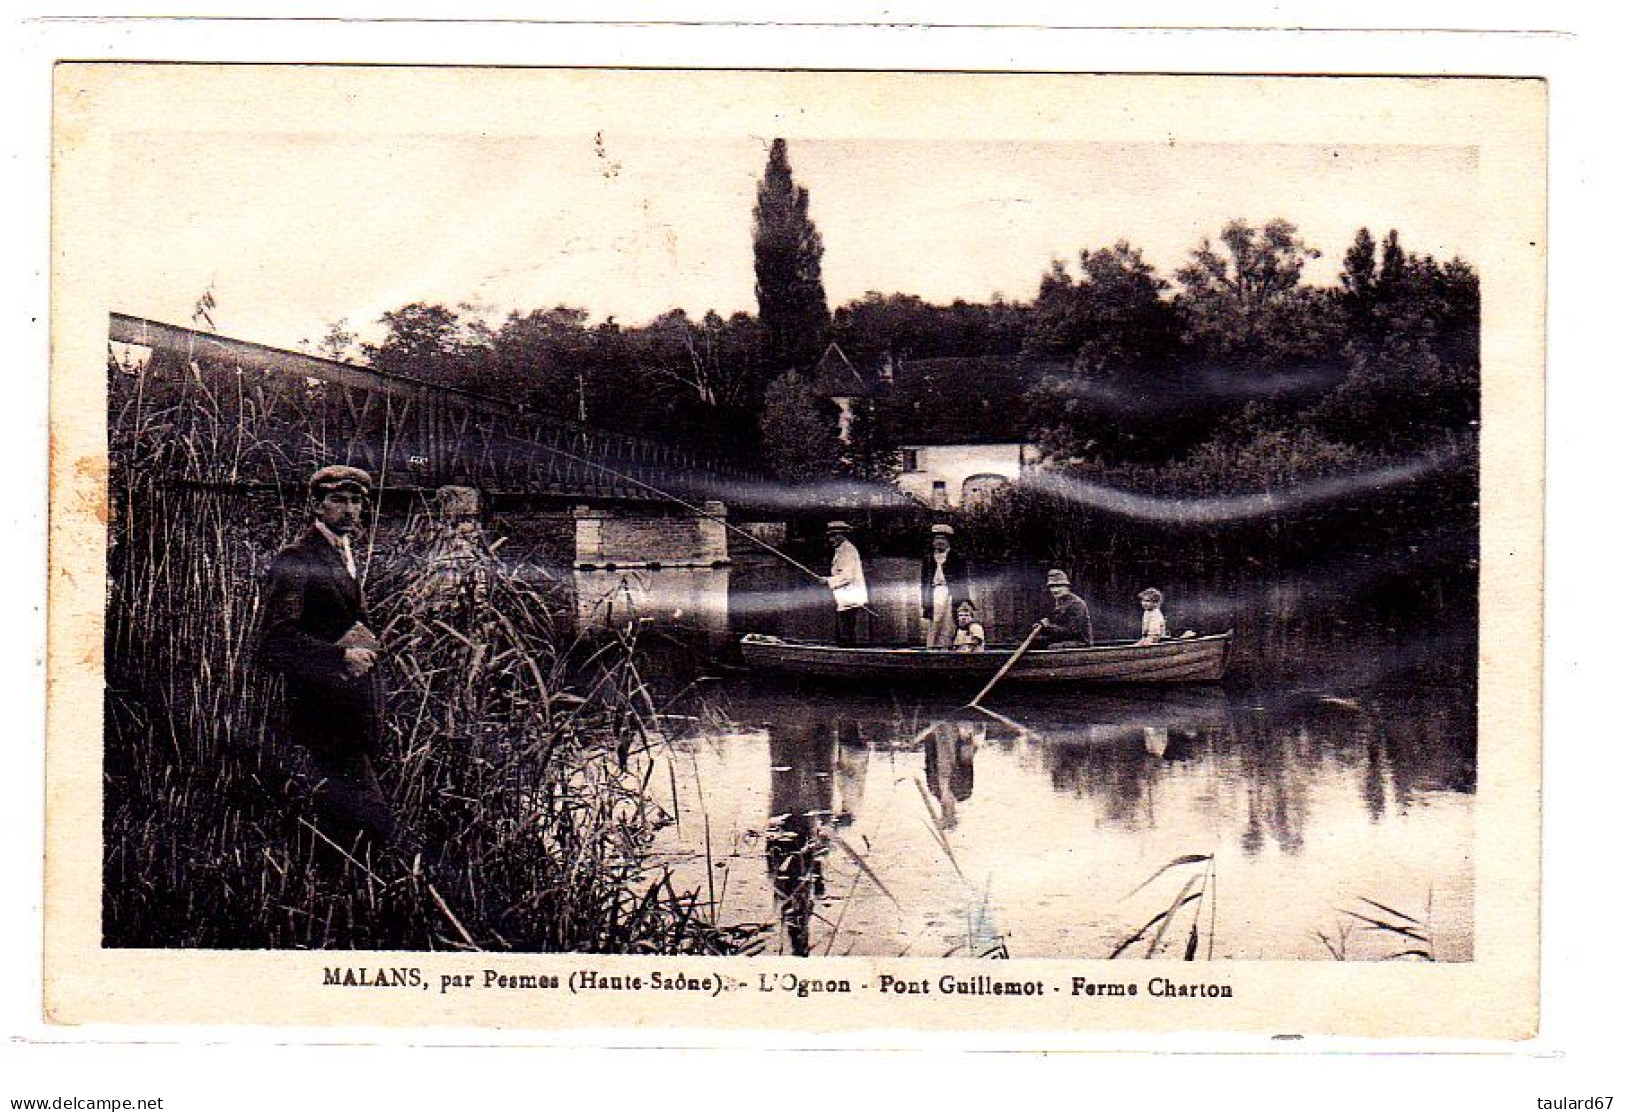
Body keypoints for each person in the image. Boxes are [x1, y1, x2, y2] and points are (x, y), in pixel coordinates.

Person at [258, 465, 405, 861]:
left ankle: (343, 900)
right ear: (316, 505)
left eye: (356, 501)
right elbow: (274, 641)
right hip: (322, 715)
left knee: (343, 823)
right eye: (338, 500)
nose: (350, 509)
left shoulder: (345, 555)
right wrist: (340, 656)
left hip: (353, 715)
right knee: (374, 823)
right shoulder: (297, 558)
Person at [919, 523, 971, 649]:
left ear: (948, 542)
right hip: (934, 592)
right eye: (936, 539)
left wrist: (964, 599)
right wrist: (925, 601)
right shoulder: (929, 559)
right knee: (935, 621)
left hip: (951, 591)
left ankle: (947, 648)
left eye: (942, 539)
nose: (939, 542)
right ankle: (932, 648)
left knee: (949, 621)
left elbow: (962, 580)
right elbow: (924, 581)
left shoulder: (957, 558)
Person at [820, 520, 869, 647]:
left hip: (851, 597)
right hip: (846, 597)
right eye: (830, 536)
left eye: (835, 535)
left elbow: (847, 577)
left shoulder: (848, 551)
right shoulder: (841, 550)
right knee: (843, 631)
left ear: (842, 535)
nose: (832, 539)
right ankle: (847, 653)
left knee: (845, 632)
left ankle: (848, 655)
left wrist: (828, 580)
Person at [1032, 568, 1093, 648]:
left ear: (1067, 587)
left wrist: (1048, 627)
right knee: (1034, 642)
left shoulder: (1076, 604)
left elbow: (1072, 632)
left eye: (1059, 586)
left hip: (1080, 643)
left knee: (1053, 647)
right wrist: (1042, 628)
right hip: (1063, 640)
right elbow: (1057, 629)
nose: (1055, 590)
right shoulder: (1058, 603)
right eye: (1052, 587)